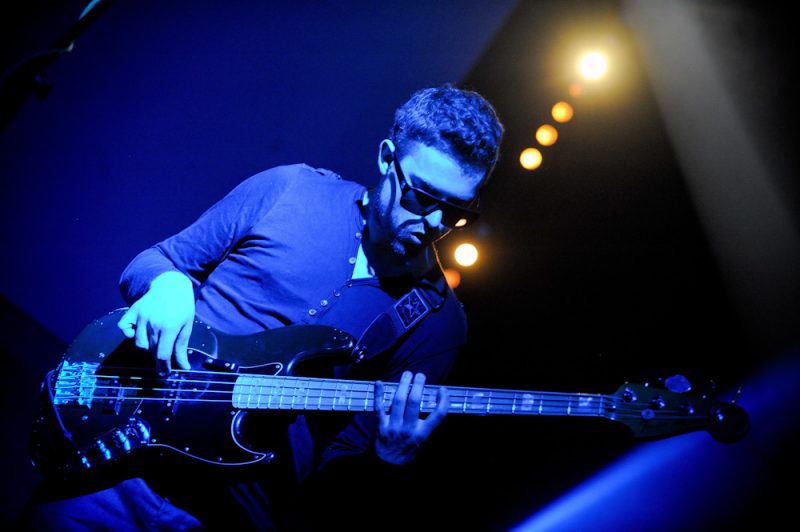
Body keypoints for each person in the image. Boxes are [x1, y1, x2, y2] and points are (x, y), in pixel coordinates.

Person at [21, 83, 504, 530]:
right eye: (421, 197)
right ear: (386, 157)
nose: (435, 222)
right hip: (121, 463)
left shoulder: (439, 324)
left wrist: (386, 460)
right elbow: (154, 261)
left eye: (456, 210)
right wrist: (168, 285)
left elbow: (337, 474)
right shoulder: (292, 190)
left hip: (230, 515)